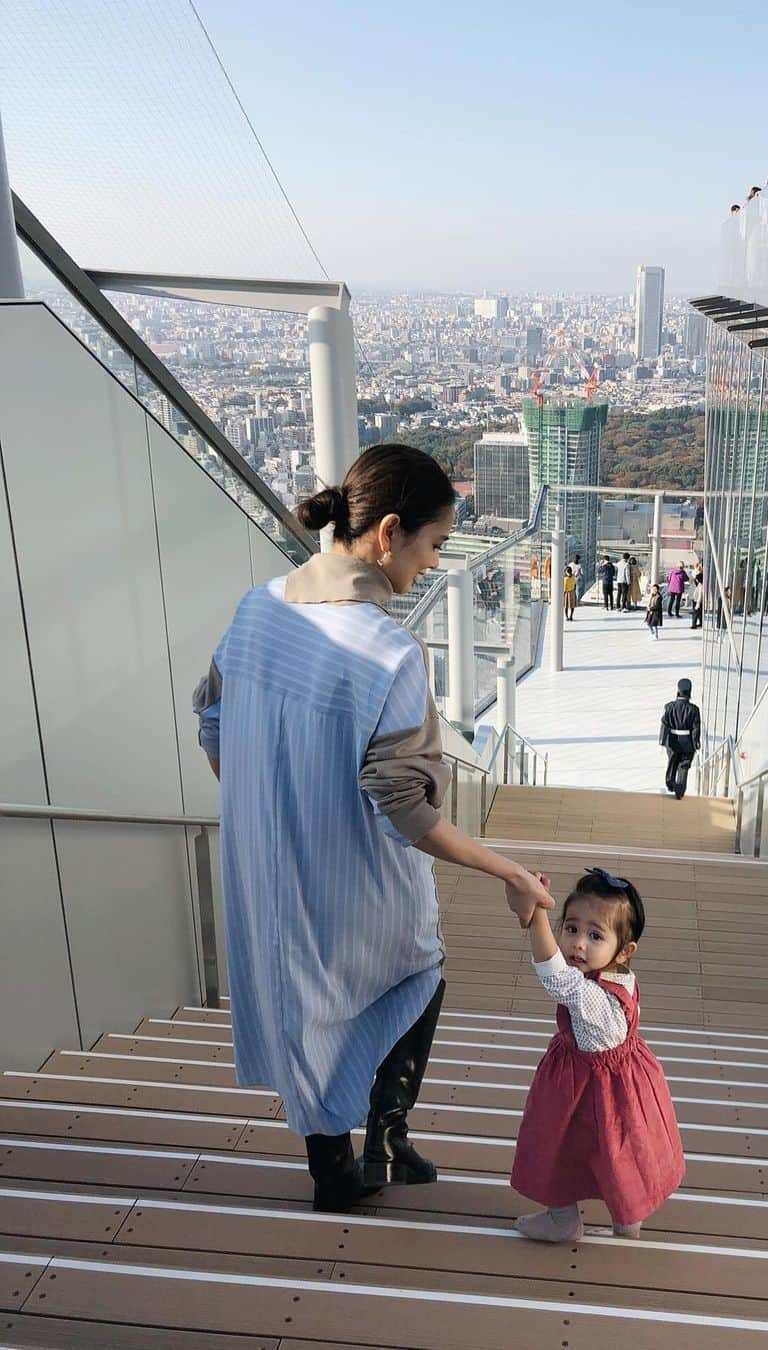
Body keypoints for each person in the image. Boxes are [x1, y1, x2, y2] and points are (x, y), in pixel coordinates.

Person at [192, 444, 553, 1215]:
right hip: (354, 874)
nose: (431, 564)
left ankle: (338, 1158)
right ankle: (381, 1138)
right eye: (432, 546)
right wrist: (509, 872)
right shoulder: (389, 652)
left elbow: (213, 724)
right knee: (414, 973)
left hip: (267, 869)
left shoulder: (256, 609)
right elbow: (407, 811)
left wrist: (273, 805)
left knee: (306, 1005)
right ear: (389, 533)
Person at [511, 868, 685, 1241]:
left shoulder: (596, 1001)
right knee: (620, 1149)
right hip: (624, 1087)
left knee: (560, 1144)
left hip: (585, 1092)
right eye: (571, 928)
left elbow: (557, 979)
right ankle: (627, 1218)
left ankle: (562, 1218)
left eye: (595, 935)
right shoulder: (621, 978)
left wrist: (536, 913)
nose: (578, 944)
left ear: (624, 951)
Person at [660, 678, 702, 800]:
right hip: (687, 742)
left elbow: (664, 723)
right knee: (684, 765)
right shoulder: (694, 710)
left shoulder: (669, 707)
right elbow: (695, 729)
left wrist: (662, 741)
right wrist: (696, 744)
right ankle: (679, 791)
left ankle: (670, 783)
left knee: (672, 761)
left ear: (678, 691)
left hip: (672, 741)